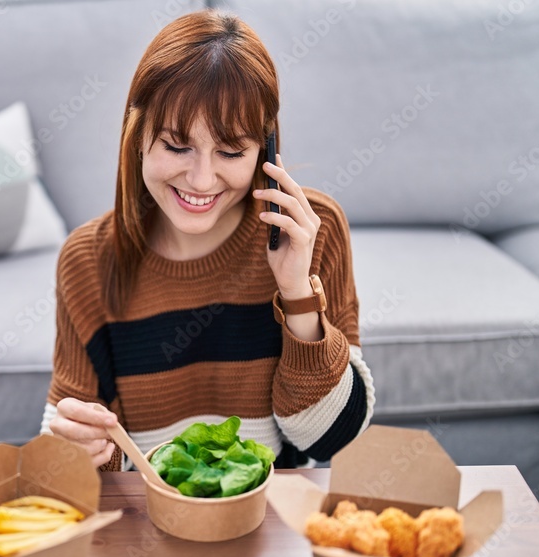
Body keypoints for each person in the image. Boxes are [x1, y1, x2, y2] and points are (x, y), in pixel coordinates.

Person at [41, 9, 375, 471]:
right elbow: (68, 458)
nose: (201, 179)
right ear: (137, 137)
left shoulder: (314, 231)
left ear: (265, 149)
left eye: (231, 151)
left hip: (275, 524)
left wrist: (297, 294)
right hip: (148, 526)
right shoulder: (86, 262)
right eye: (177, 146)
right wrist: (87, 452)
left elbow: (331, 443)